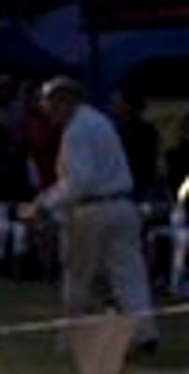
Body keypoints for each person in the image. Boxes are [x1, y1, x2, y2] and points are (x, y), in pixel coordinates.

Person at [21, 77, 158, 352]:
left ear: (64, 101)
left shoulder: (76, 130)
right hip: (121, 203)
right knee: (129, 273)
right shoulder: (99, 121)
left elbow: (80, 180)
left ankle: (72, 335)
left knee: (78, 274)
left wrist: (44, 205)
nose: (47, 112)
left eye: (50, 105)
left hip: (92, 209)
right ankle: (145, 332)